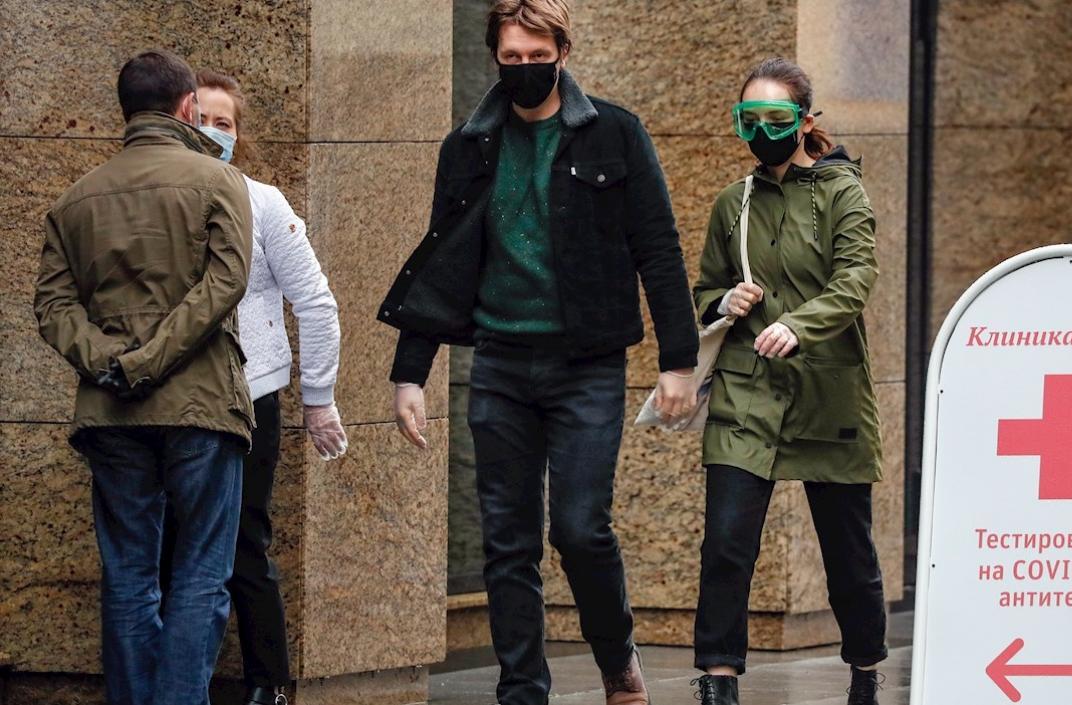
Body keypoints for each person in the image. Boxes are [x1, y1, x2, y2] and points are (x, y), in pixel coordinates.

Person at [379, 1, 699, 703]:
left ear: (563, 50)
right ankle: (522, 689)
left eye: (537, 56)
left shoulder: (614, 133)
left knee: (580, 529)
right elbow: (441, 262)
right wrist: (411, 372)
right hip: (498, 363)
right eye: (511, 58)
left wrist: (680, 362)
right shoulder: (468, 144)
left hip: (586, 365)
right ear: (496, 56)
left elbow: (659, 247)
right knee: (507, 541)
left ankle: (616, 657)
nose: (525, 70)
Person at [32, 50, 253, 705]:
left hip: (112, 412)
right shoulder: (218, 182)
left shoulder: (74, 201)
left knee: (128, 572)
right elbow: (226, 282)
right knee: (201, 571)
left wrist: (110, 363)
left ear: (125, 109)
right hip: (202, 407)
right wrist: (152, 359)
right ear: (188, 107)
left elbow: (51, 305)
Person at [689, 57, 888, 705]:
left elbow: (856, 279)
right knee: (726, 542)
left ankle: (864, 666)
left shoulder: (842, 193)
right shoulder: (732, 204)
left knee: (848, 554)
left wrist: (800, 324)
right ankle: (717, 677)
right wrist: (726, 303)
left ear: (805, 121)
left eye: (776, 117)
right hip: (748, 391)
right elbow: (705, 291)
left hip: (828, 389)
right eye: (751, 119)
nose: (763, 129)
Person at [188, 68, 346, 705]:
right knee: (172, 542)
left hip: (251, 393)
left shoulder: (264, 202)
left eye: (223, 123)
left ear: (239, 135)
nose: (211, 133)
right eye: (200, 120)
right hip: (166, 395)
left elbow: (315, 301)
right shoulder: (152, 196)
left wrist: (318, 397)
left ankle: (268, 685)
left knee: (246, 537)